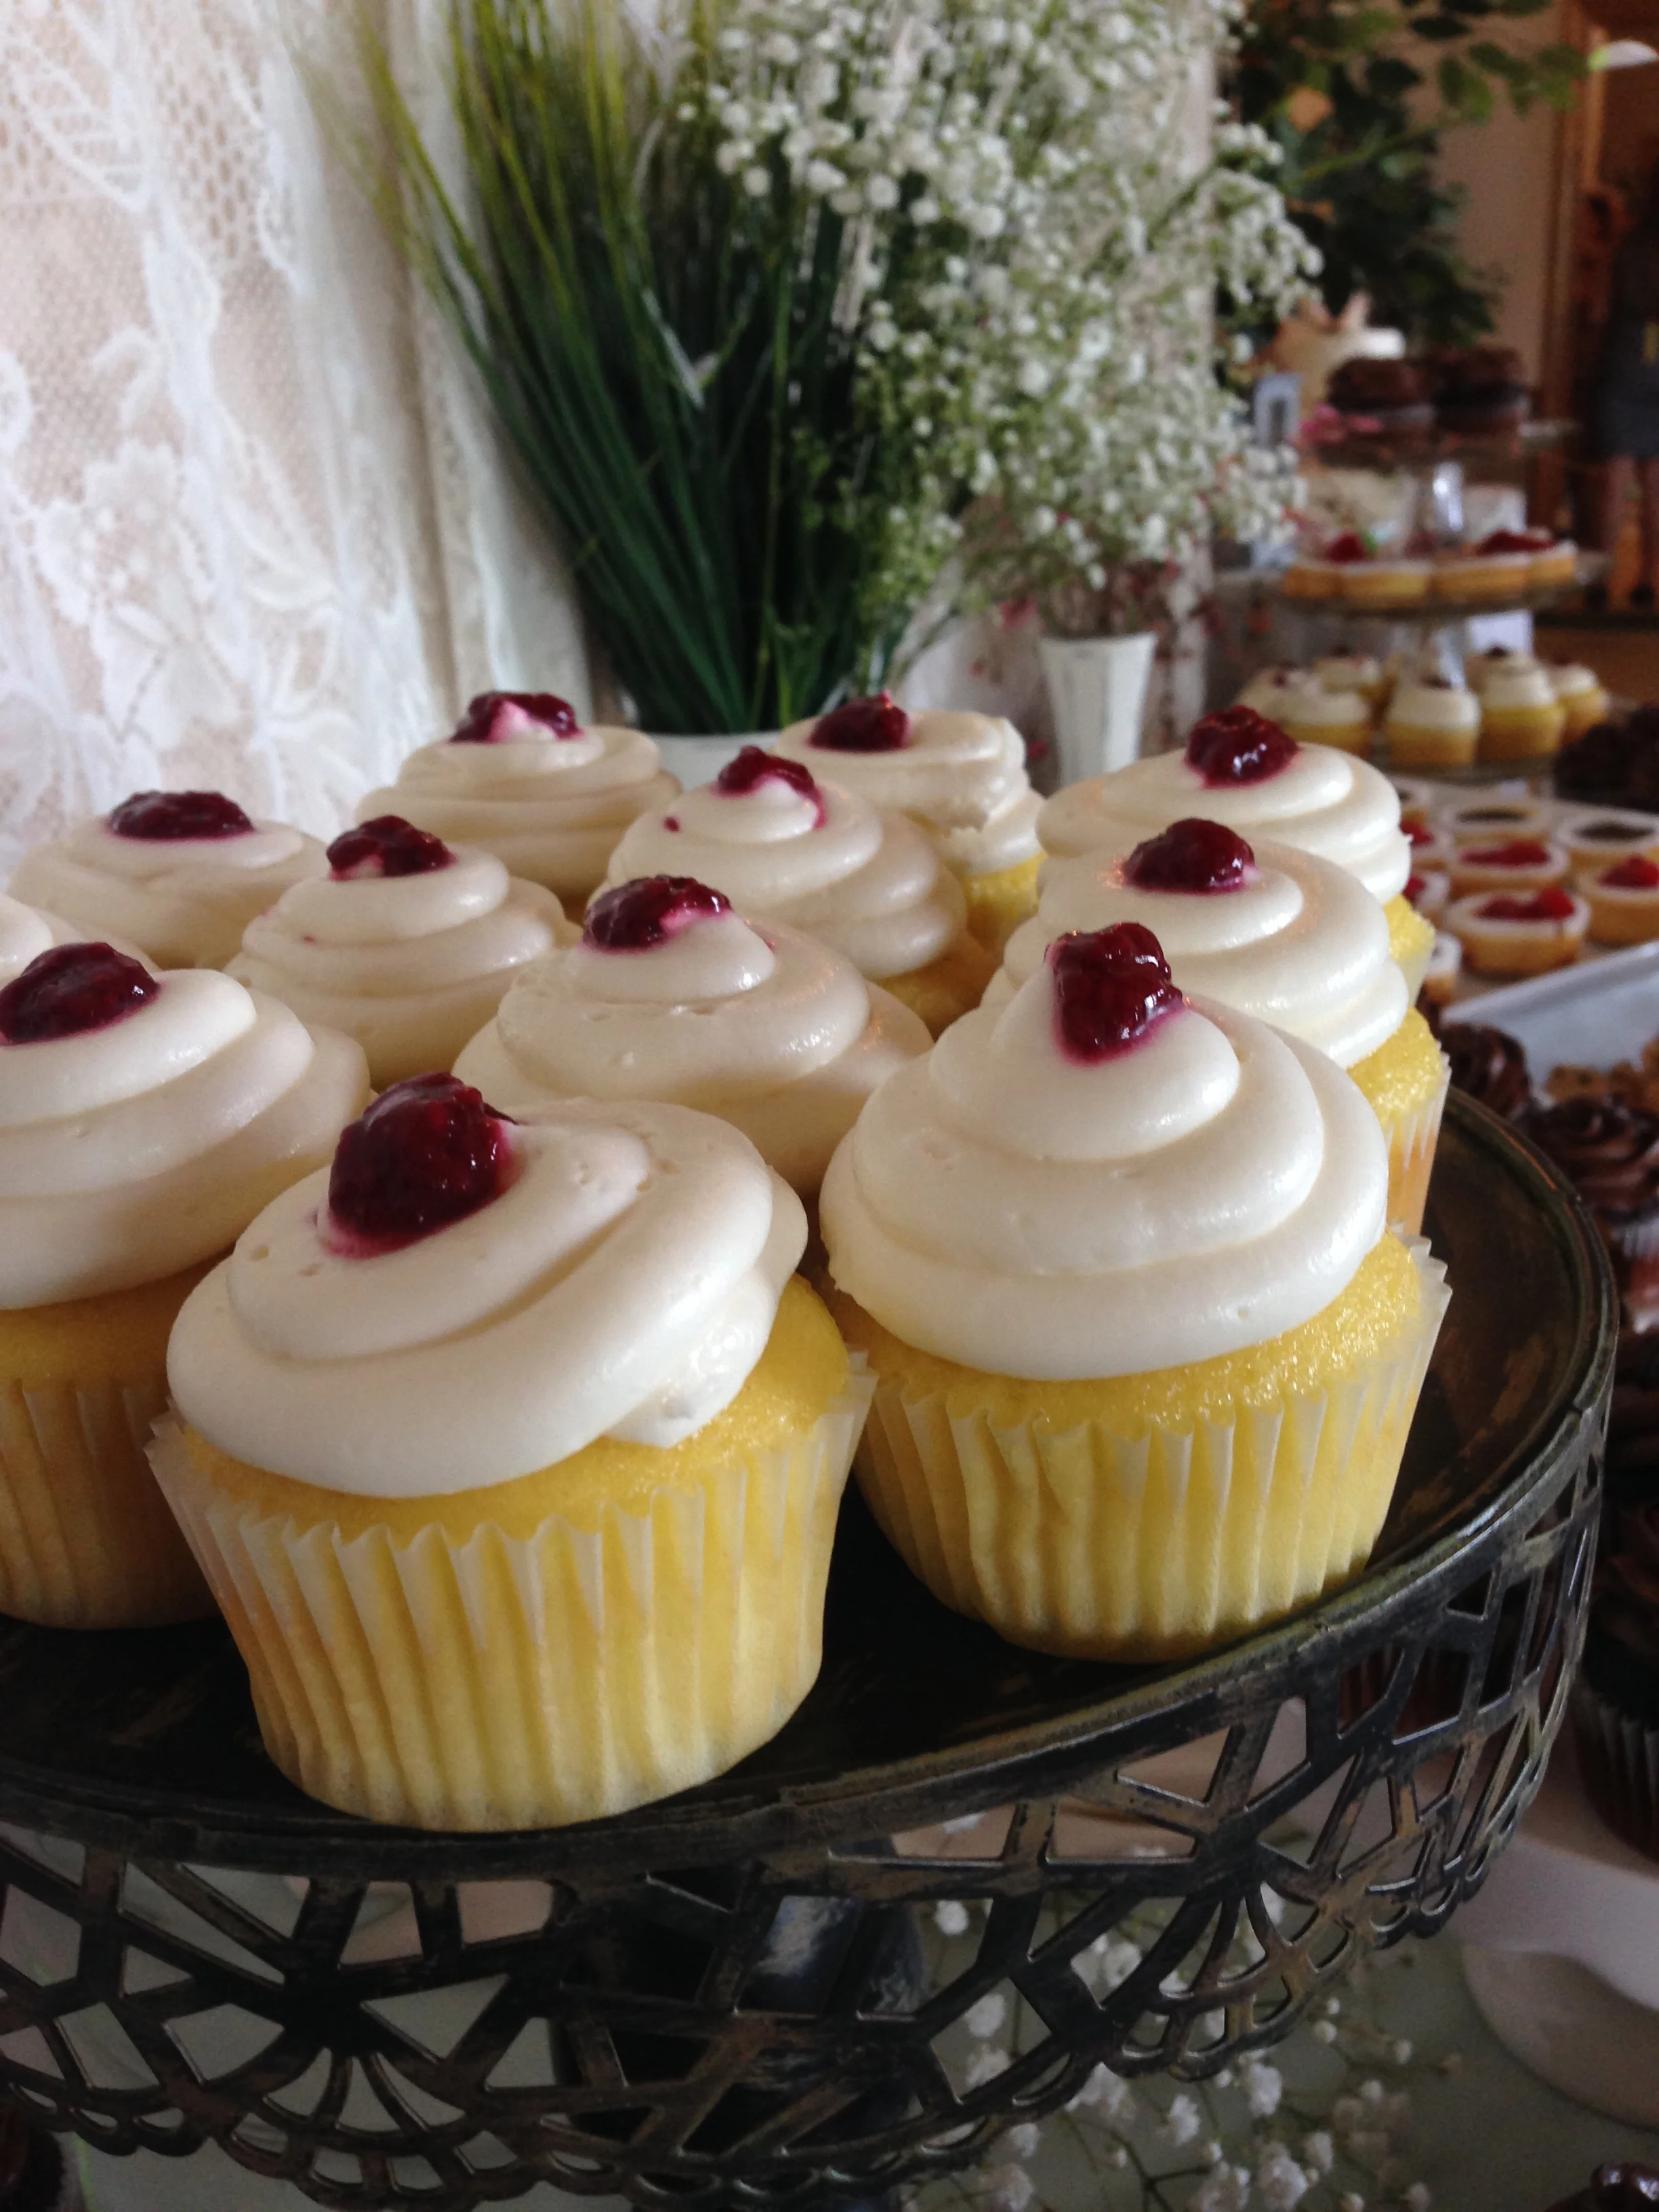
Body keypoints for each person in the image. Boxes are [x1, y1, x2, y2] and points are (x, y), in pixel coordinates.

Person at [1591, 163, 1659, 610]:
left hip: (1626, 351)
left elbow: (1602, 309)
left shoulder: (1630, 245)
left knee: (1615, 477)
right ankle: (1649, 580)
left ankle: (1601, 574)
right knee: (1655, 476)